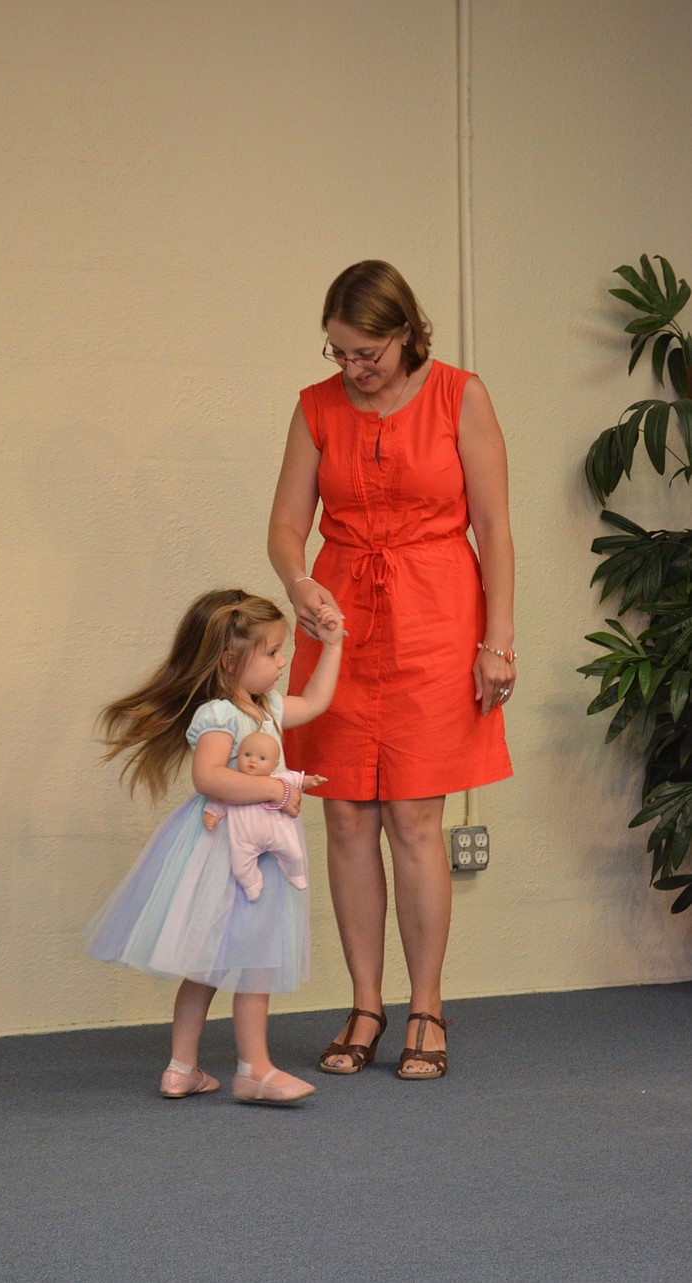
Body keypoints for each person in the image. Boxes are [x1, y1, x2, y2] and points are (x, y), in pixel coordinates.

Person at [268, 260, 514, 1080]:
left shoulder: (460, 396)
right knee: (343, 815)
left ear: (406, 332)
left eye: (366, 353)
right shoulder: (316, 407)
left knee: (414, 815)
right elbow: (286, 524)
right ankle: (366, 1003)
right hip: (339, 622)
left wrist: (499, 639)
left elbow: (493, 527)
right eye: (339, 352)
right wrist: (298, 583)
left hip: (436, 618)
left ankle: (427, 1005)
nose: (353, 367)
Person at [85, 588, 343, 1105]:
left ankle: (183, 1069)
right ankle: (253, 1070)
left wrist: (334, 645)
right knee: (247, 961)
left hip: (258, 847)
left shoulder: (267, 708)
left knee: (218, 963)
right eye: (272, 653)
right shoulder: (221, 716)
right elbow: (209, 778)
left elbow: (316, 701)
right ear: (230, 660)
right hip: (227, 848)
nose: (282, 662)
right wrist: (275, 789)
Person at [202, 730, 327, 901]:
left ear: (274, 765)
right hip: (244, 839)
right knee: (240, 867)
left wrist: (311, 781)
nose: (253, 761)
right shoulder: (234, 785)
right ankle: (252, 885)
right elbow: (219, 800)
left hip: (278, 834)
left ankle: (295, 874)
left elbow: (297, 779)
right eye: (247, 755)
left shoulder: (279, 779)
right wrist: (210, 814)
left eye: (261, 758)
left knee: (294, 854)